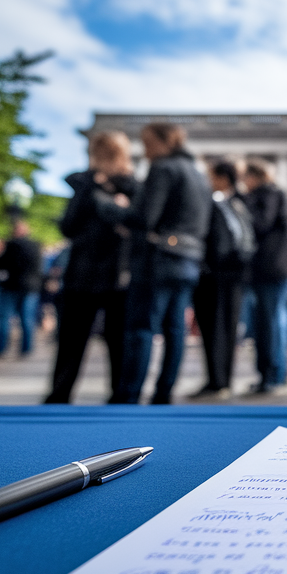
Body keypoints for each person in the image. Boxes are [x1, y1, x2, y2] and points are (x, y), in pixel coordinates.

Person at [105, 122, 210, 404]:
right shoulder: (199, 174)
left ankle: (129, 395)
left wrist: (110, 208)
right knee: (176, 329)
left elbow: (144, 217)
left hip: (158, 259)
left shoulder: (164, 168)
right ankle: (164, 394)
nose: (146, 151)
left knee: (142, 327)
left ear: (165, 142)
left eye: (148, 143)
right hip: (188, 259)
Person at [44, 131, 138, 403]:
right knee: (82, 338)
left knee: (104, 338)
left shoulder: (131, 186)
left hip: (111, 272)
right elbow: (68, 227)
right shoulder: (85, 185)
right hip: (90, 272)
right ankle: (66, 394)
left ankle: (71, 395)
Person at [191, 160, 251, 399]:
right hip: (236, 273)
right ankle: (223, 379)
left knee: (213, 327)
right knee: (228, 327)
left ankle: (216, 381)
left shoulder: (216, 203)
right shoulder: (239, 204)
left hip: (215, 274)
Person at [242, 158, 287, 393]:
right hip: (282, 266)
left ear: (254, 177)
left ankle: (272, 373)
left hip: (272, 267)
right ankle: (277, 372)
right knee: (277, 318)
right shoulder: (280, 195)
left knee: (270, 320)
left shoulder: (266, 195)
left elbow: (260, 224)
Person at [0, 220, 42, 357]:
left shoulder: (12, 244)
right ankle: (26, 349)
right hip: (31, 287)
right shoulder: (36, 245)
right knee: (26, 319)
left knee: (4, 318)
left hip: (11, 286)